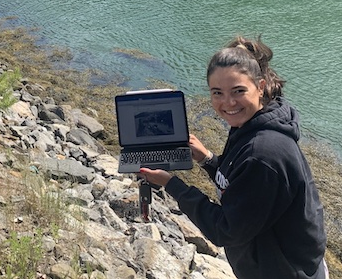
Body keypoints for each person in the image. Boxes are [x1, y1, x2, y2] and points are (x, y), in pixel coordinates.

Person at [139, 36, 328, 279]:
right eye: (217, 93)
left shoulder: (264, 154)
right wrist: (207, 159)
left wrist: (171, 184)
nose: (228, 103)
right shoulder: (251, 124)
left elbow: (224, 229)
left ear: (260, 86)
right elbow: (241, 185)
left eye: (238, 91)